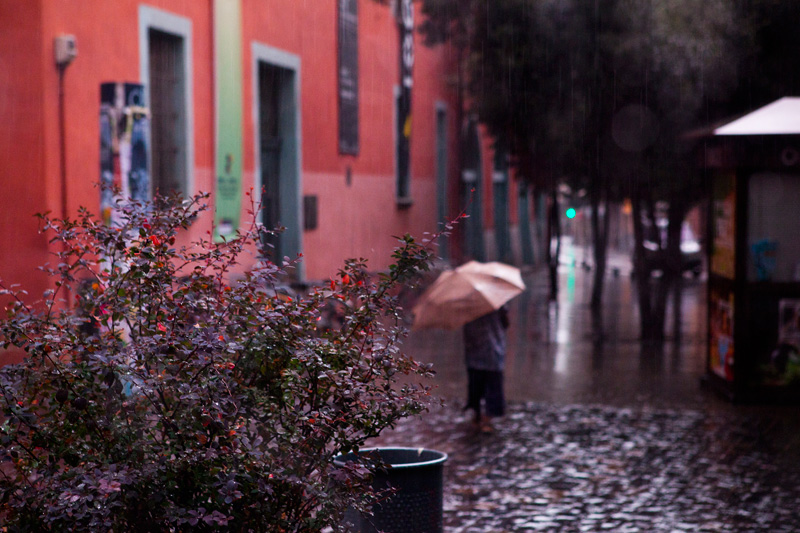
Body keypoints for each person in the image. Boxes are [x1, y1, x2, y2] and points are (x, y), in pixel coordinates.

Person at [463, 305, 509, 433]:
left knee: (478, 385)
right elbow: (505, 323)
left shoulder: (468, 303)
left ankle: (481, 416)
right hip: (489, 349)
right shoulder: (497, 302)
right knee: (487, 386)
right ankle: (483, 417)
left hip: (478, 350)